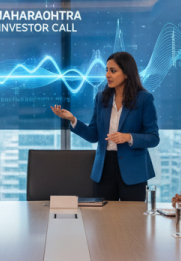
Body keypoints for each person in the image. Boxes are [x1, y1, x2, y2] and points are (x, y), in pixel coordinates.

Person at [51, 51, 159, 201]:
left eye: (113, 71)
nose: (108, 75)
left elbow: (153, 138)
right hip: (104, 169)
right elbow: (93, 135)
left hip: (133, 170)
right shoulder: (102, 98)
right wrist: (73, 120)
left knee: (133, 219)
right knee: (103, 220)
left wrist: (128, 137)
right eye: (107, 70)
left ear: (127, 73)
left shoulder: (144, 99)